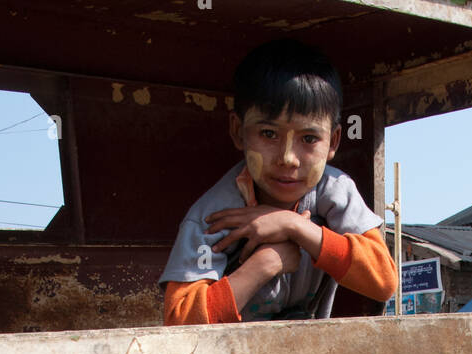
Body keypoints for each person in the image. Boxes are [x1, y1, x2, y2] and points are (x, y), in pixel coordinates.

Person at [161, 39, 397, 325]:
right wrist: (264, 264)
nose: (288, 158)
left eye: (309, 139)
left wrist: (294, 226)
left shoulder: (335, 191)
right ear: (238, 131)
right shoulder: (214, 216)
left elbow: (383, 280)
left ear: (333, 142)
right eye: (269, 134)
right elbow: (180, 322)